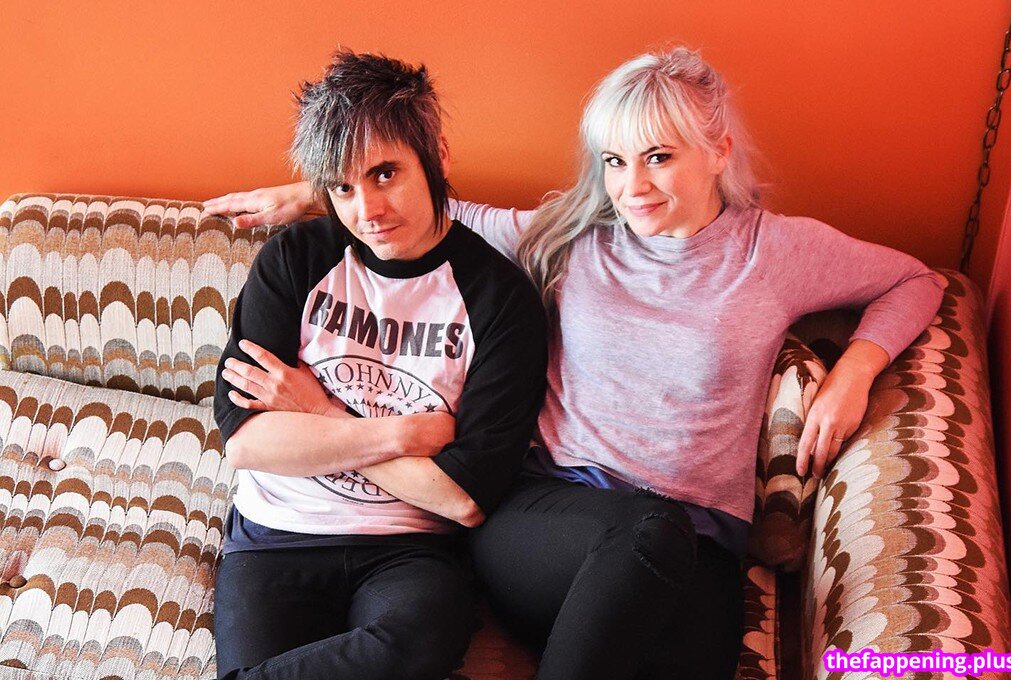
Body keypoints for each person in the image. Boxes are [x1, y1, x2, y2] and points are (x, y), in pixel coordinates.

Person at [205, 47, 945, 679]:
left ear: (719, 150)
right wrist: (314, 189)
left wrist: (855, 370)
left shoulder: (777, 252)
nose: (633, 187)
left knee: (690, 637)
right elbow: (420, 215)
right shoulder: (571, 238)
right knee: (648, 533)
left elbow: (918, 280)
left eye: (659, 157)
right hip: (545, 526)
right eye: (615, 161)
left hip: (696, 545)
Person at [211, 49, 547, 680]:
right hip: (276, 535)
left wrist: (315, 410)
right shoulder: (295, 260)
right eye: (342, 187)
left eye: (385, 174)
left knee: (420, 639)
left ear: (437, 155)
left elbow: (463, 499)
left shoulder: (500, 299)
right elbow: (248, 443)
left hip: (410, 549)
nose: (366, 210)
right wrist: (401, 434)